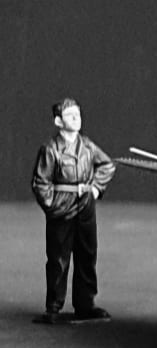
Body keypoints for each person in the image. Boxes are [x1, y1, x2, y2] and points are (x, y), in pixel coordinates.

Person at [30, 98, 116, 324]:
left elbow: (107, 165)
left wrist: (95, 189)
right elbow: (41, 182)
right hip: (62, 208)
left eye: (78, 113)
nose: (77, 118)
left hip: (85, 206)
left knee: (87, 255)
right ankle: (54, 307)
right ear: (59, 121)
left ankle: (85, 305)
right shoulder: (50, 149)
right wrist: (52, 206)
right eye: (70, 115)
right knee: (58, 259)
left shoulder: (87, 146)